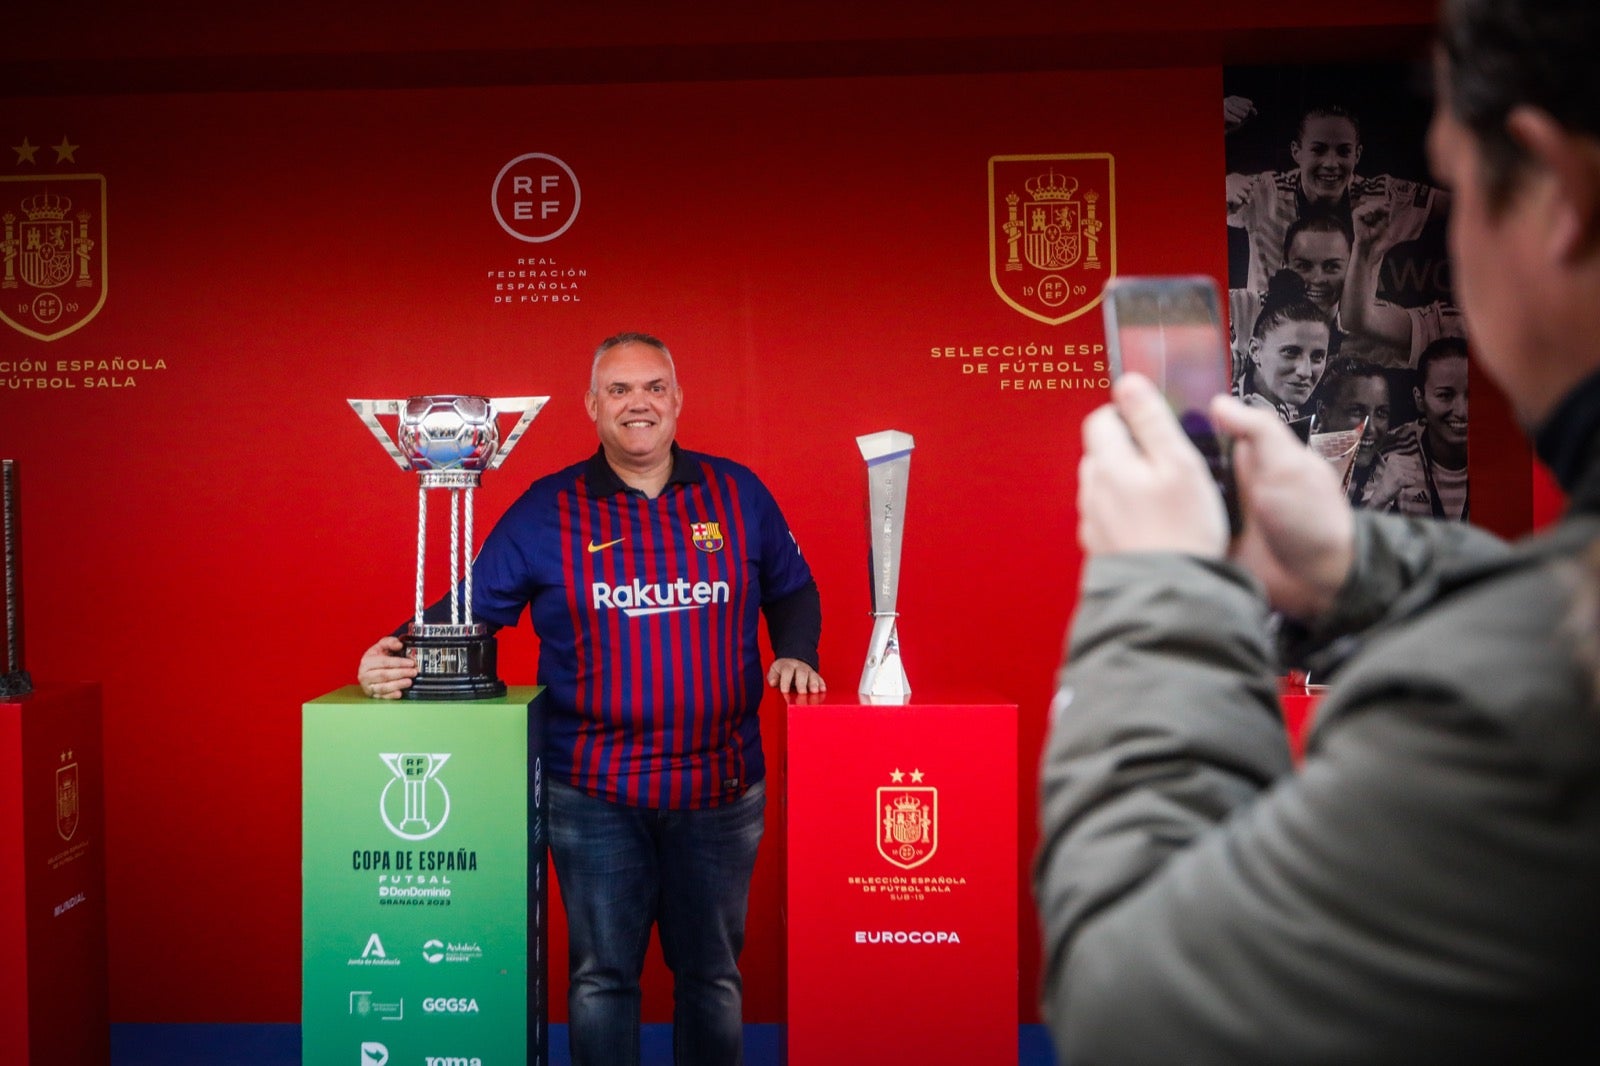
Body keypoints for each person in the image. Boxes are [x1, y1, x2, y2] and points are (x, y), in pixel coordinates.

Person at [1036, 0, 1600, 1060]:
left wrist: (1159, 587)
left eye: (1460, 188)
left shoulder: (1504, 719)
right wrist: (1354, 564)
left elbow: (1132, 1008)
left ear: (1554, 191)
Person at [358, 332, 825, 1066]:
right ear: (592, 406)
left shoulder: (738, 493)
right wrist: (390, 652)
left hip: (721, 786)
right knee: (603, 979)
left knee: (712, 977)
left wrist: (798, 650)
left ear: (677, 400)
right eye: (619, 390)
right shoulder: (548, 509)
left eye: (653, 387)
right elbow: (469, 607)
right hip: (594, 793)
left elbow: (793, 587)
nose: (638, 403)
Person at [1226, 101, 1449, 295]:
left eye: (1343, 151)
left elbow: (1453, 203)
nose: (1331, 163)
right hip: (1270, 339)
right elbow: (1198, 206)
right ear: (1297, 152)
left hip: (1347, 339)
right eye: (1318, 150)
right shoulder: (1266, 192)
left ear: (1357, 155)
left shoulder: (1378, 196)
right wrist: (1223, 182)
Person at [1359, 336, 1469, 518]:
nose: (1462, 411)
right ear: (1420, 399)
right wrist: (1380, 499)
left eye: (1471, 395)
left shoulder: (1505, 455)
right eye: (1445, 395)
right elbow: (1359, 538)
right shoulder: (1391, 453)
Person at [1233, 270, 1334, 425]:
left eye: (1317, 356)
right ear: (1255, 351)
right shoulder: (1220, 401)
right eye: (1291, 352)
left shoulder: (1289, 407)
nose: (1305, 372)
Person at [1313, 358, 1394, 504]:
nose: (1371, 428)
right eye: (1356, 411)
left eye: (1381, 413)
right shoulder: (1292, 467)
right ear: (1323, 412)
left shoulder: (1390, 480)